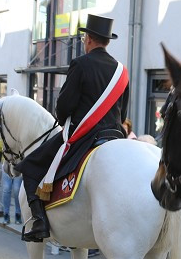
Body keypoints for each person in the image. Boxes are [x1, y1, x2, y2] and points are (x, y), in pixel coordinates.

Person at [17, 15, 129, 242]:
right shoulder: (122, 71)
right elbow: (123, 113)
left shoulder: (80, 63)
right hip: (116, 136)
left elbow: (64, 106)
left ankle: (39, 223)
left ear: (87, 39)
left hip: (84, 136)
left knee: (29, 167)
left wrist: (64, 115)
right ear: (107, 41)